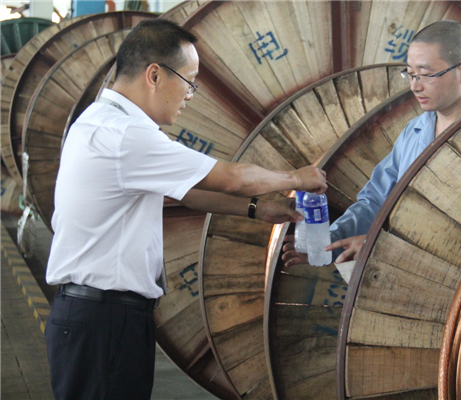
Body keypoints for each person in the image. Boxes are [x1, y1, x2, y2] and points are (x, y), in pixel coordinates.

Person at [44, 19, 327, 400]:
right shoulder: (126, 135)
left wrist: (258, 210)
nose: (191, 95)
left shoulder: (102, 122)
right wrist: (296, 178)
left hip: (95, 316)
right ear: (154, 75)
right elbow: (229, 178)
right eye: (189, 81)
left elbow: (189, 195)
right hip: (104, 319)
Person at [283, 20, 461, 267]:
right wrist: (330, 244)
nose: (414, 86)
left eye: (426, 74)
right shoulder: (414, 131)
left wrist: (378, 245)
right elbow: (376, 200)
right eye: (410, 74)